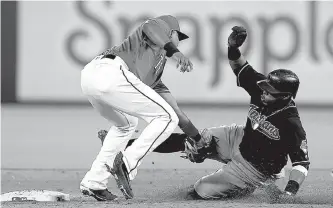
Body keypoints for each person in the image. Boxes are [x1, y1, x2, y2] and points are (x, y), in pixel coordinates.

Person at [98, 26, 310, 201]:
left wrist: (290, 191)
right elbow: (239, 66)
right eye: (264, 87)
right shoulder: (261, 88)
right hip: (240, 138)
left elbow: (301, 163)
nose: (264, 92)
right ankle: (122, 144)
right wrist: (232, 46)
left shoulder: (291, 122)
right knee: (195, 140)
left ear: (285, 97)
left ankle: (248, 188)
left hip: (256, 169)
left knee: (199, 191)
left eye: (270, 92)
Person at [80, 15, 203, 201]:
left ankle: (94, 183)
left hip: (92, 78)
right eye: (179, 36)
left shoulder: (154, 76)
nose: (180, 42)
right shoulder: (154, 31)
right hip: (110, 70)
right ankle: (127, 165)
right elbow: (150, 28)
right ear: (170, 32)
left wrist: (198, 139)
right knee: (166, 118)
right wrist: (175, 52)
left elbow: (179, 115)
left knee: (129, 123)